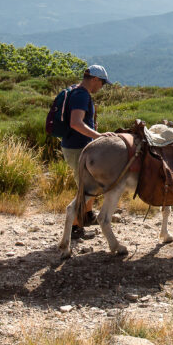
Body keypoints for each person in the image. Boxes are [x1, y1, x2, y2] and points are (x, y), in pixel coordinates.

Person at [61, 64, 117, 239]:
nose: (101, 87)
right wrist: (99, 136)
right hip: (78, 148)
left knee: (90, 185)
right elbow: (75, 123)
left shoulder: (75, 91)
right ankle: (76, 228)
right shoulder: (81, 95)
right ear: (94, 79)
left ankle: (87, 215)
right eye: (102, 83)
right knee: (86, 188)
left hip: (75, 146)